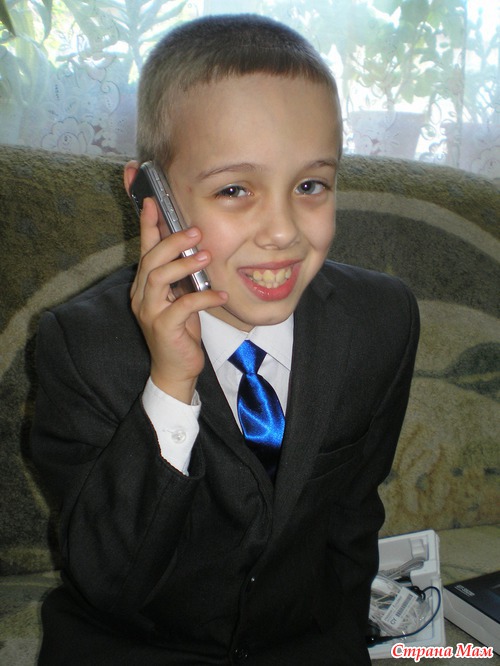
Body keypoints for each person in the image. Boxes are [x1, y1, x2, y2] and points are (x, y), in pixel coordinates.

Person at [31, 13, 420, 666]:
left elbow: (352, 522)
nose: (283, 231)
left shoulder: (381, 320)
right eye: (235, 189)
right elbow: (108, 580)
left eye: (310, 186)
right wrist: (170, 385)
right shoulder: (82, 345)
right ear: (150, 197)